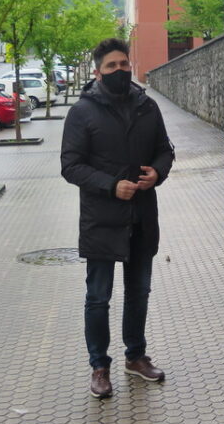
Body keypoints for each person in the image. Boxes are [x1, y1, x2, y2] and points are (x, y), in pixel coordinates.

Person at [61, 38, 175, 398]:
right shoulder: (82, 112)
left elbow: (165, 150)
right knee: (98, 297)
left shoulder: (147, 106)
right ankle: (99, 367)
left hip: (142, 218)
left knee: (139, 292)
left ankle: (136, 356)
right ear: (98, 72)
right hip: (101, 221)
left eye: (124, 64)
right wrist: (111, 186)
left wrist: (157, 172)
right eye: (111, 66)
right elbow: (70, 165)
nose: (120, 71)